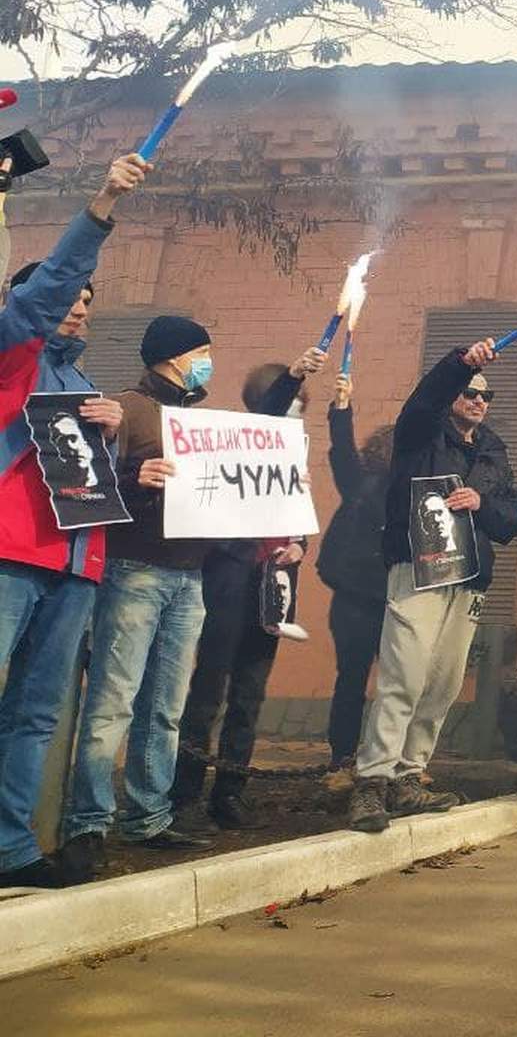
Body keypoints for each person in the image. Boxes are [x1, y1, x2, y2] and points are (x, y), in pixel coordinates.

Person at [0, 153, 148, 889]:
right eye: (70, 296)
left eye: (89, 300)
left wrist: (117, 446)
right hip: (11, 554)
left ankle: (12, 848)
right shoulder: (13, 356)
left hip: (74, 563)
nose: (80, 306)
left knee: (36, 715)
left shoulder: (84, 383)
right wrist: (102, 205)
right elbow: (47, 287)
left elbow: (83, 480)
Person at [62, 311, 226, 878]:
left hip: (189, 575)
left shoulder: (199, 421)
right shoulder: (127, 410)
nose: (208, 362)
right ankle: (88, 821)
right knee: (114, 698)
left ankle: (148, 814)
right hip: (134, 569)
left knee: (164, 705)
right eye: (201, 353)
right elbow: (92, 485)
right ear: (175, 357)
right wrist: (136, 480)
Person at [347, 341, 517, 834]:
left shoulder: (493, 453)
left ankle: (409, 775)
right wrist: (459, 365)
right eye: (470, 392)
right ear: (453, 396)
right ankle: (372, 780)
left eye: (486, 396)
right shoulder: (420, 436)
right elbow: (423, 402)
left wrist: (482, 505)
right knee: (404, 674)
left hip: (468, 579)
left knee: (444, 682)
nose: (478, 401)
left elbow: (513, 515)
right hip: (419, 569)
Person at [168, 354, 325, 830]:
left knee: (250, 693)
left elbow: (297, 517)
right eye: (290, 405)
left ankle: (230, 791)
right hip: (230, 579)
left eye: (301, 408)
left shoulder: (295, 454)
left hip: (272, 583)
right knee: (209, 688)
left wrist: (299, 544)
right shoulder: (234, 444)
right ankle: (185, 792)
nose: (295, 416)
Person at [317, 374, 393, 773]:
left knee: (375, 681)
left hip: (383, 597)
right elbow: (342, 450)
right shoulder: (362, 483)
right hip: (359, 597)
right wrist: (341, 408)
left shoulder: (414, 490)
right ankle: (344, 755)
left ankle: (365, 755)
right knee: (358, 679)